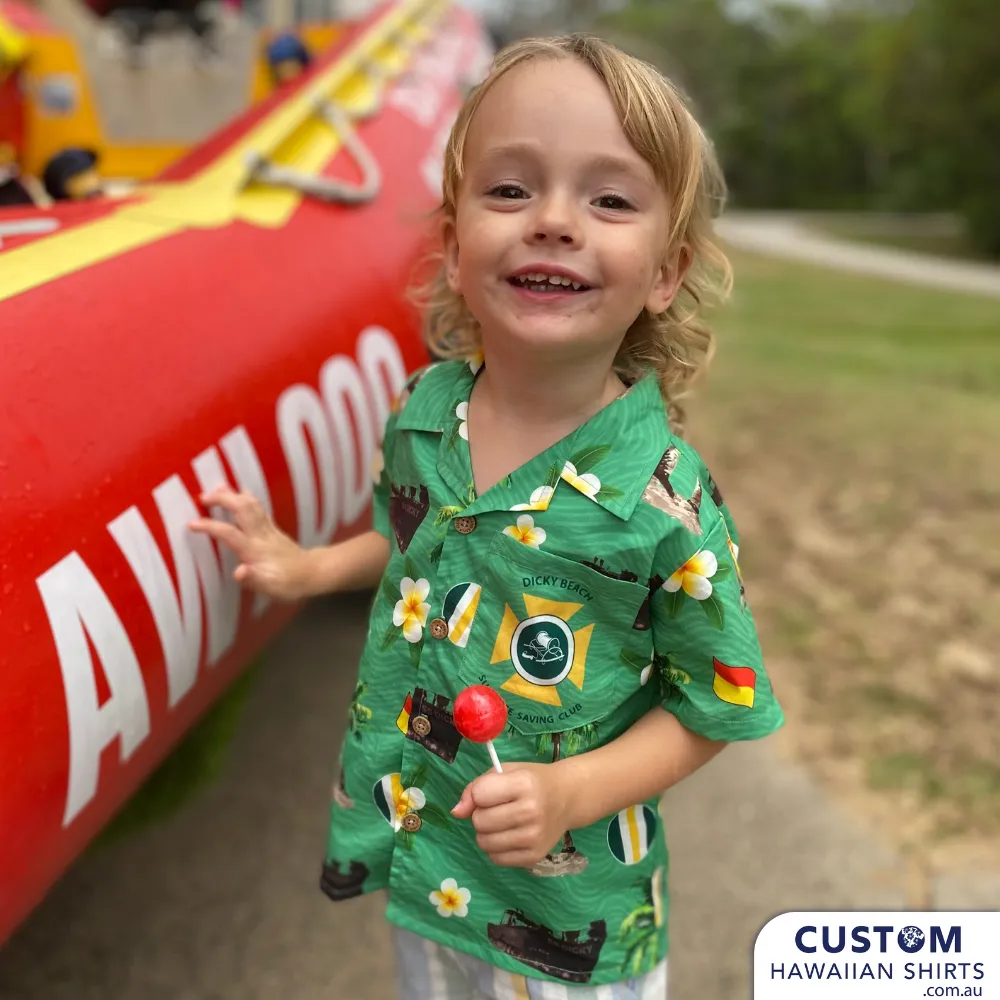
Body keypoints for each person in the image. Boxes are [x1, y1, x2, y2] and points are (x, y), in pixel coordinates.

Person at [190, 32, 784, 999]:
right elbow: (414, 544)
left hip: (568, 919)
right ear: (456, 245)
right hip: (432, 864)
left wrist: (568, 792)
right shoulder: (428, 412)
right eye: (509, 190)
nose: (552, 220)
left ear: (666, 274)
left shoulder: (662, 502)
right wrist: (307, 569)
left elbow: (713, 708)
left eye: (610, 199)